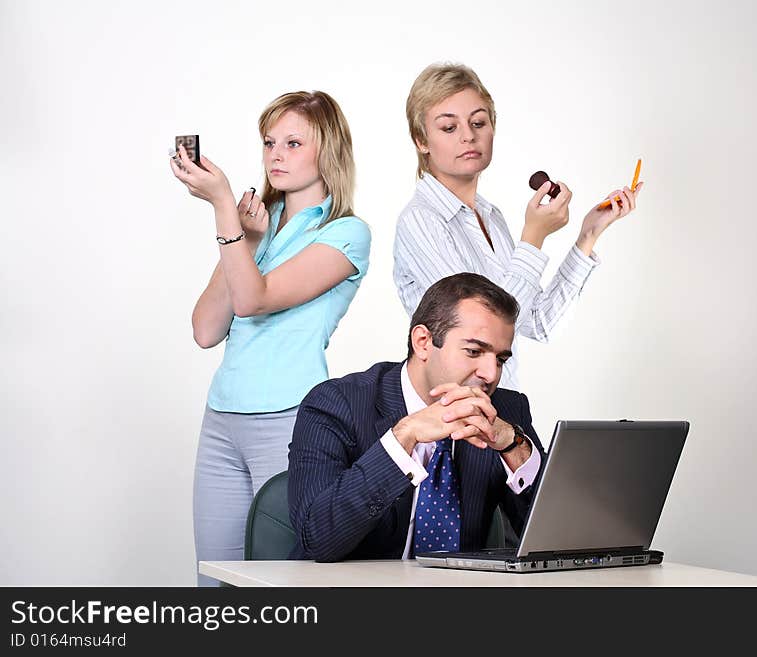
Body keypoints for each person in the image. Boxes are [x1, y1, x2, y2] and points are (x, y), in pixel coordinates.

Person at [169, 91, 371, 585]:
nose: (276, 154)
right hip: (222, 420)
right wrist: (250, 238)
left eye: (293, 143)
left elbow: (253, 301)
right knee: (214, 585)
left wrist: (221, 206)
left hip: (287, 424)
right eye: (269, 142)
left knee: (279, 586)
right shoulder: (259, 224)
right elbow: (205, 329)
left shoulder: (346, 233)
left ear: (328, 151)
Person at [393, 63, 643, 389]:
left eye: (478, 122)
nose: (468, 135)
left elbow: (537, 323)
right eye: (449, 128)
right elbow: (481, 326)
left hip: (501, 410)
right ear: (421, 140)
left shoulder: (491, 218)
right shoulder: (420, 221)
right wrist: (533, 236)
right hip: (452, 414)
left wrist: (588, 235)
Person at [288, 273, 544, 562]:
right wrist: (403, 437)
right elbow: (317, 539)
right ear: (423, 341)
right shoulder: (336, 403)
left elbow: (554, 540)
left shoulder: (506, 411)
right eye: (474, 351)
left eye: (500, 359)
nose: (491, 374)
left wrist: (513, 445)